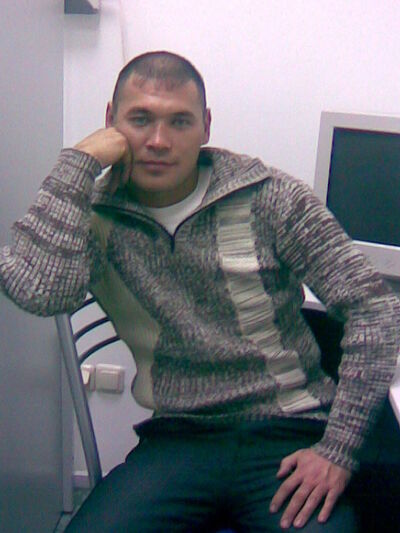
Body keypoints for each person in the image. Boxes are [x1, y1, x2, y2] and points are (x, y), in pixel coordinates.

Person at [1, 51, 399, 532]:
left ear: (206, 126)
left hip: (288, 430)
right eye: (140, 119)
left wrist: (338, 450)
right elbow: (44, 293)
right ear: (110, 122)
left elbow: (375, 309)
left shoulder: (271, 197)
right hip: (178, 437)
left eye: (180, 121)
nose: (158, 140)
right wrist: (77, 164)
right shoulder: (94, 217)